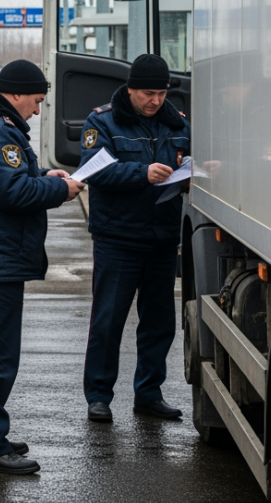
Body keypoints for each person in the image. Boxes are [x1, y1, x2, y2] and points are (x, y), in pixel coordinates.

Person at [0, 59, 84, 475]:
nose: (37, 111)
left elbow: (3, 179)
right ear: (17, 93)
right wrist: (60, 189)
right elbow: (11, 192)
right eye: (36, 101)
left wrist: (43, 174)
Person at [79, 54, 190, 423]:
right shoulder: (102, 120)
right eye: (147, 94)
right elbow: (94, 169)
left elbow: (190, 159)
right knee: (108, 321)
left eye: (161, 94)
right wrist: (142, 173)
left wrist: (198, 172)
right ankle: (99, 396)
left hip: (162, 239)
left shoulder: (178, 124)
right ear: (130, 90)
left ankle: (149, 394)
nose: (155, 101)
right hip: (118, 238)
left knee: (159, 323)